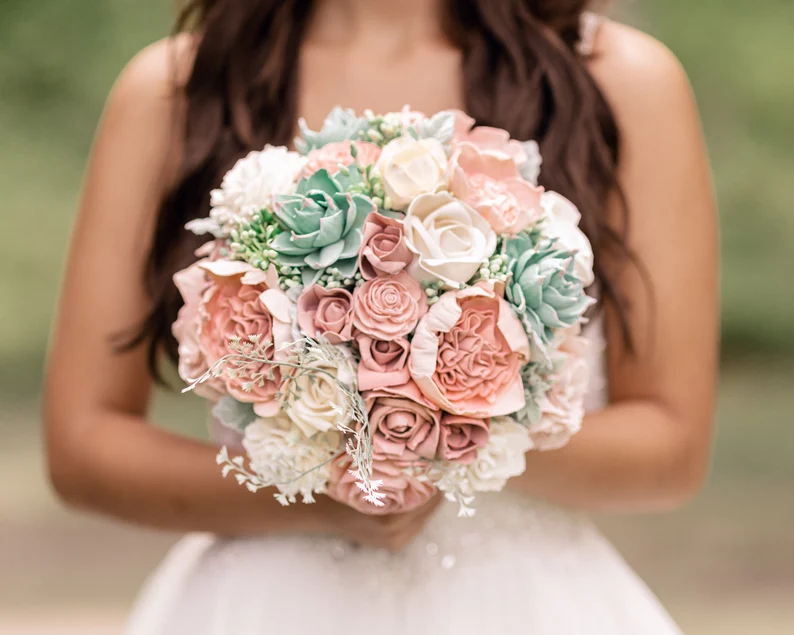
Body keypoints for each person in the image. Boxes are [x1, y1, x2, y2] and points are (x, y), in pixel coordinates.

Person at [43, 0, 719, 632]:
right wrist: (320, 490)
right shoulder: (176, 91)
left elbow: (671, 445)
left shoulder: (621, 80)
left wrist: (448, 430)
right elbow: (83, 443)